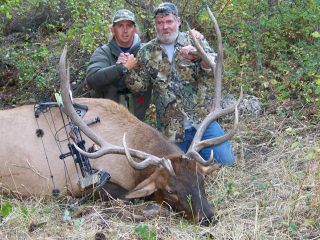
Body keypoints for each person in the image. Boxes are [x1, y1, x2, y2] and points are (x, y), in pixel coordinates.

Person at [125, 3, 235, 165]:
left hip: (202, 121)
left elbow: (217, 67)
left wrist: (199, 55)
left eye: (169, 21)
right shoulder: (146, 52)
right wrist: (127, 69)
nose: (165, 27)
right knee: (176, 172)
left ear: (178, 22)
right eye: (160, 23)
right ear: (155, 25)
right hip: (171, 129)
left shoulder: (194, 40)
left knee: (227, 163)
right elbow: (138, 87)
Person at [86, 9, 151, 120]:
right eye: (120, 25)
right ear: (113, 29)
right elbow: (92, 79)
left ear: (135, 29)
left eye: (129, 26)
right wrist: (121, 68)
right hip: (108, 122)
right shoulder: (103, 52)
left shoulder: (147, 51)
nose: (125, 30)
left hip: (138, 123)